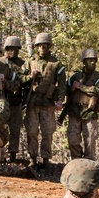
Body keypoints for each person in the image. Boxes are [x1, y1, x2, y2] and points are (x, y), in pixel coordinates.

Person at [24, 32, 66, 169]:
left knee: (47, 132)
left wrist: (60, 100)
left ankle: (46, 158)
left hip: (48, 103)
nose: (43, 48)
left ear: (49, 46)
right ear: (37, 47)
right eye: (40, 45)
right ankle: (32, 158)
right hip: (33, 102)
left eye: (45, 45)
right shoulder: (30, 62)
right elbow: (20, 77)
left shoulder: (56, 64)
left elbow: (62, 84)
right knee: (32, 131)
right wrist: (30, 77)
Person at [64, 49, 99, 161]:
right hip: (75, 112)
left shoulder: (98, 77)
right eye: (89, 60)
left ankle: (89, 163)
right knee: (72, 140)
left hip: (90, 113)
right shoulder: (76, 76)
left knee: (90, 141)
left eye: (94, 61)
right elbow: (64, 89)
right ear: (84, 62)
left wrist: (81, 87)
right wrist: (71, 88)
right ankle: (76, 161)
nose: (92, 63)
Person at [3, 35, 27, 163]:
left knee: (15, 128)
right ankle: (0, 154)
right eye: (9, 49)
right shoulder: (1, 62)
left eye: (15, 49)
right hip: (1, 101)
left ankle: (12, 155)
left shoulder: (23, 65)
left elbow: (25, 82)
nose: (12, 52)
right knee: (0, 127)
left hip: (16, 100)